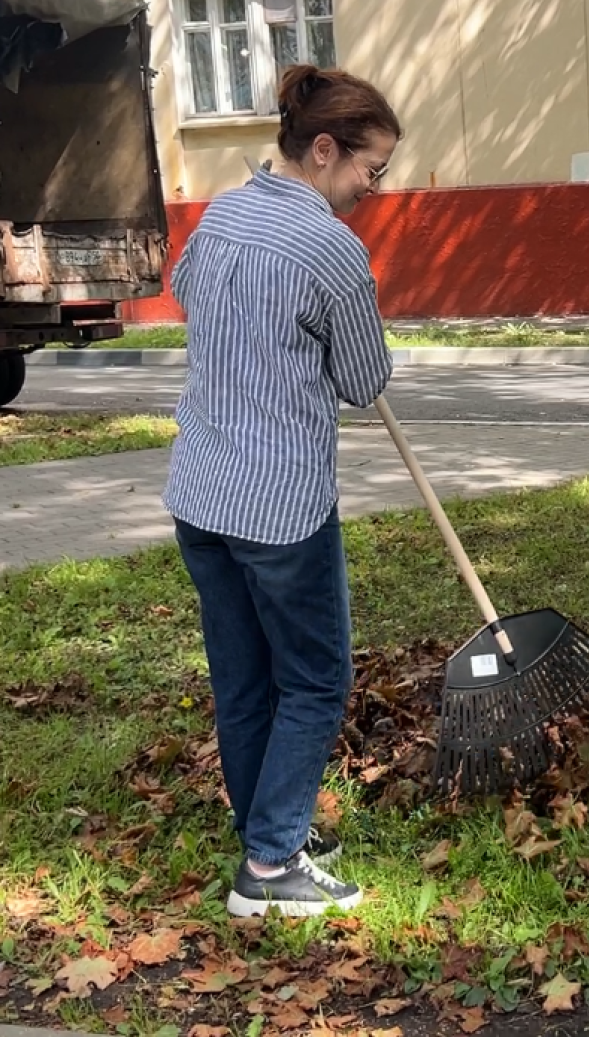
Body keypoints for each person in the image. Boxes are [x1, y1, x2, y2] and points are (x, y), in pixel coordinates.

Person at [162, 64, 400, 918]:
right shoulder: (331, 247)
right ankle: (268, 869)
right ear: (326, 149)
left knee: (243, 678)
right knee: (314, 679)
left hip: (202, 492)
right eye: (371, 170)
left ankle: (271, 827)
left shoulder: (223, 213)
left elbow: (187, 291)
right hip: (279, 508)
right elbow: (365, 377)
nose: (375, 188)